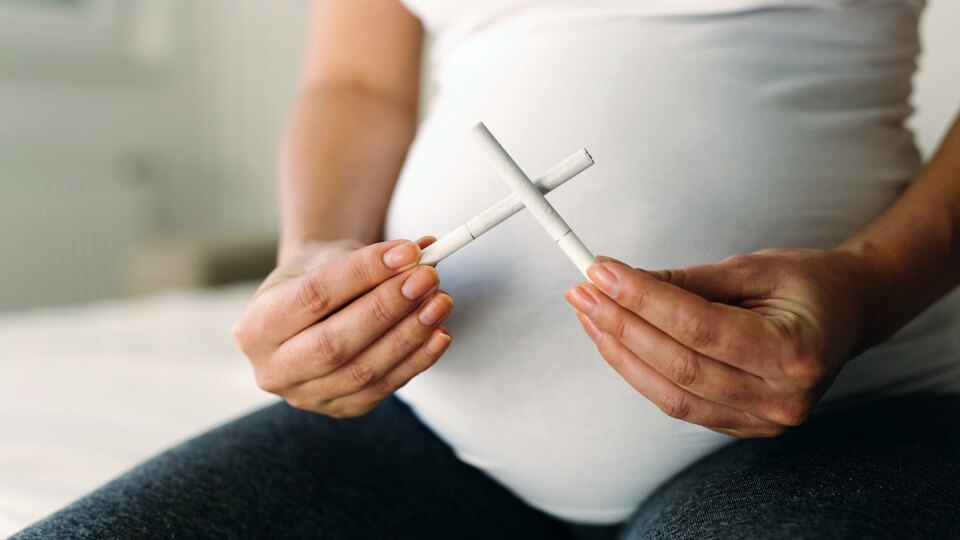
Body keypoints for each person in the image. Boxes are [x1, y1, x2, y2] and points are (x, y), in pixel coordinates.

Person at [15, 0, 960, 538]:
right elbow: (357, 81)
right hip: (425, 429)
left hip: (850, 418)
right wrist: (310, 256)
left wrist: (871, 286)